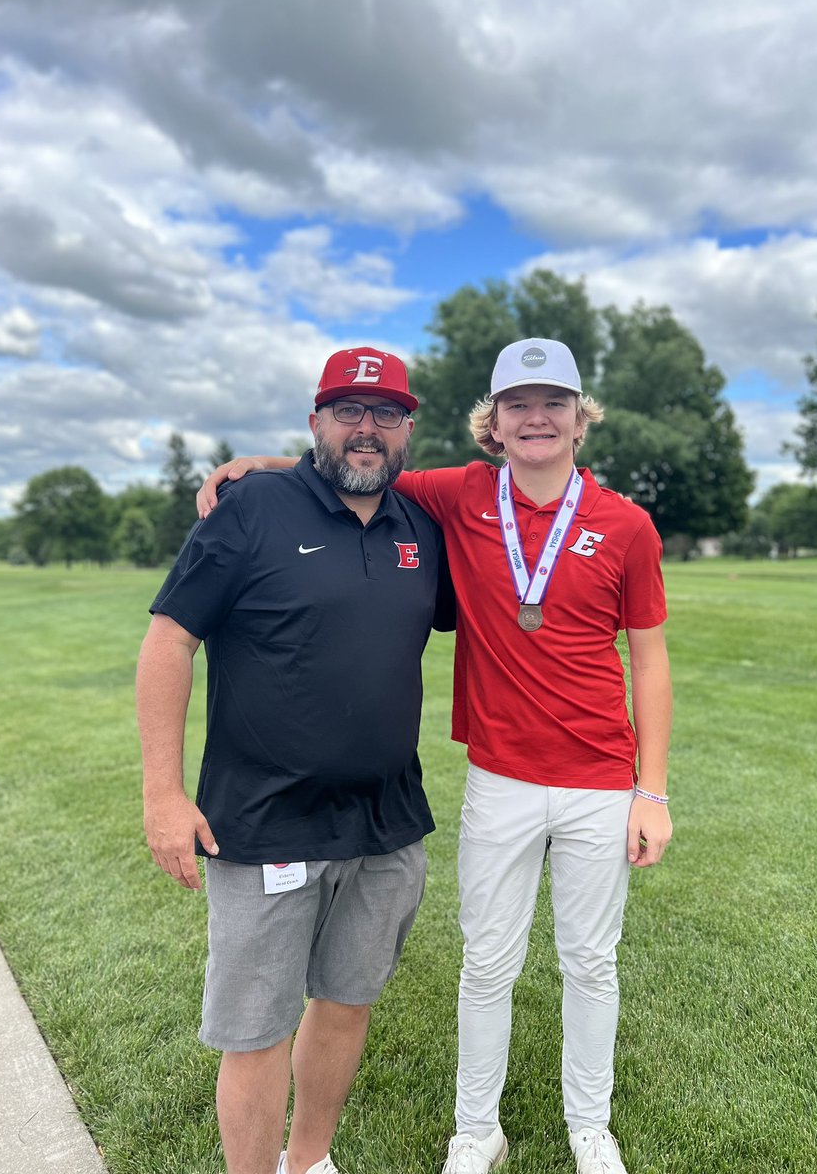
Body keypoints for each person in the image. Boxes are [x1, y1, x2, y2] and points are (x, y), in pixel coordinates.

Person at [198, 338, 673, 1174]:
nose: (536, 418)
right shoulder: (458, 493)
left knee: (591, 962)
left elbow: (651, 658)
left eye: (553, 403)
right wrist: (261, 463)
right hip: (500, 775)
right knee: (487, 962)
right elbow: (350, 463)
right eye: (518, 405)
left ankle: (588, 1126)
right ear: (492, 423)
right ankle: (473, 1129)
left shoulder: (626, 522)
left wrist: (654, 792)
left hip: (602, 779)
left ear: (578, 418)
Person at [137, 348, 453, 1174]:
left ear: (408, 427)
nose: (367, 428)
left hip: (387, 823)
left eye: (386, 413)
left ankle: (308, 1160)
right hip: (266, 821)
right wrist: (162, 795)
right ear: (316, 419)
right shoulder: (251, 510)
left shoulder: (421, 527)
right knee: (256, 1030)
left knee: (347, 1005)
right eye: (348, 410)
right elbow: (170, 640)